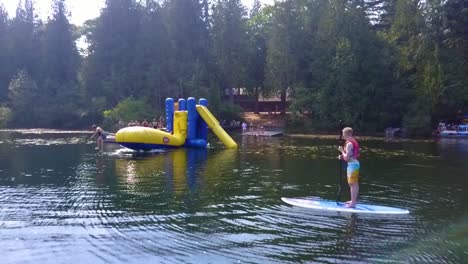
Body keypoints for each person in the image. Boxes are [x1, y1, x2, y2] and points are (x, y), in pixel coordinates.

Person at [338, 127, 360, 208]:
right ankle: (353, 200)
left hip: (352, 165)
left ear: (345, 134)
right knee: (354, 184)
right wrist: (342, 156)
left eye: (343, 134)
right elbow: (349, 156)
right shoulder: (352, 142)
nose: (342, 136)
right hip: (355, 164)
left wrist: (341, 151)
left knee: (352, 184)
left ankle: (353, 203)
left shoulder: (349, 144)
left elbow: (347, 158)